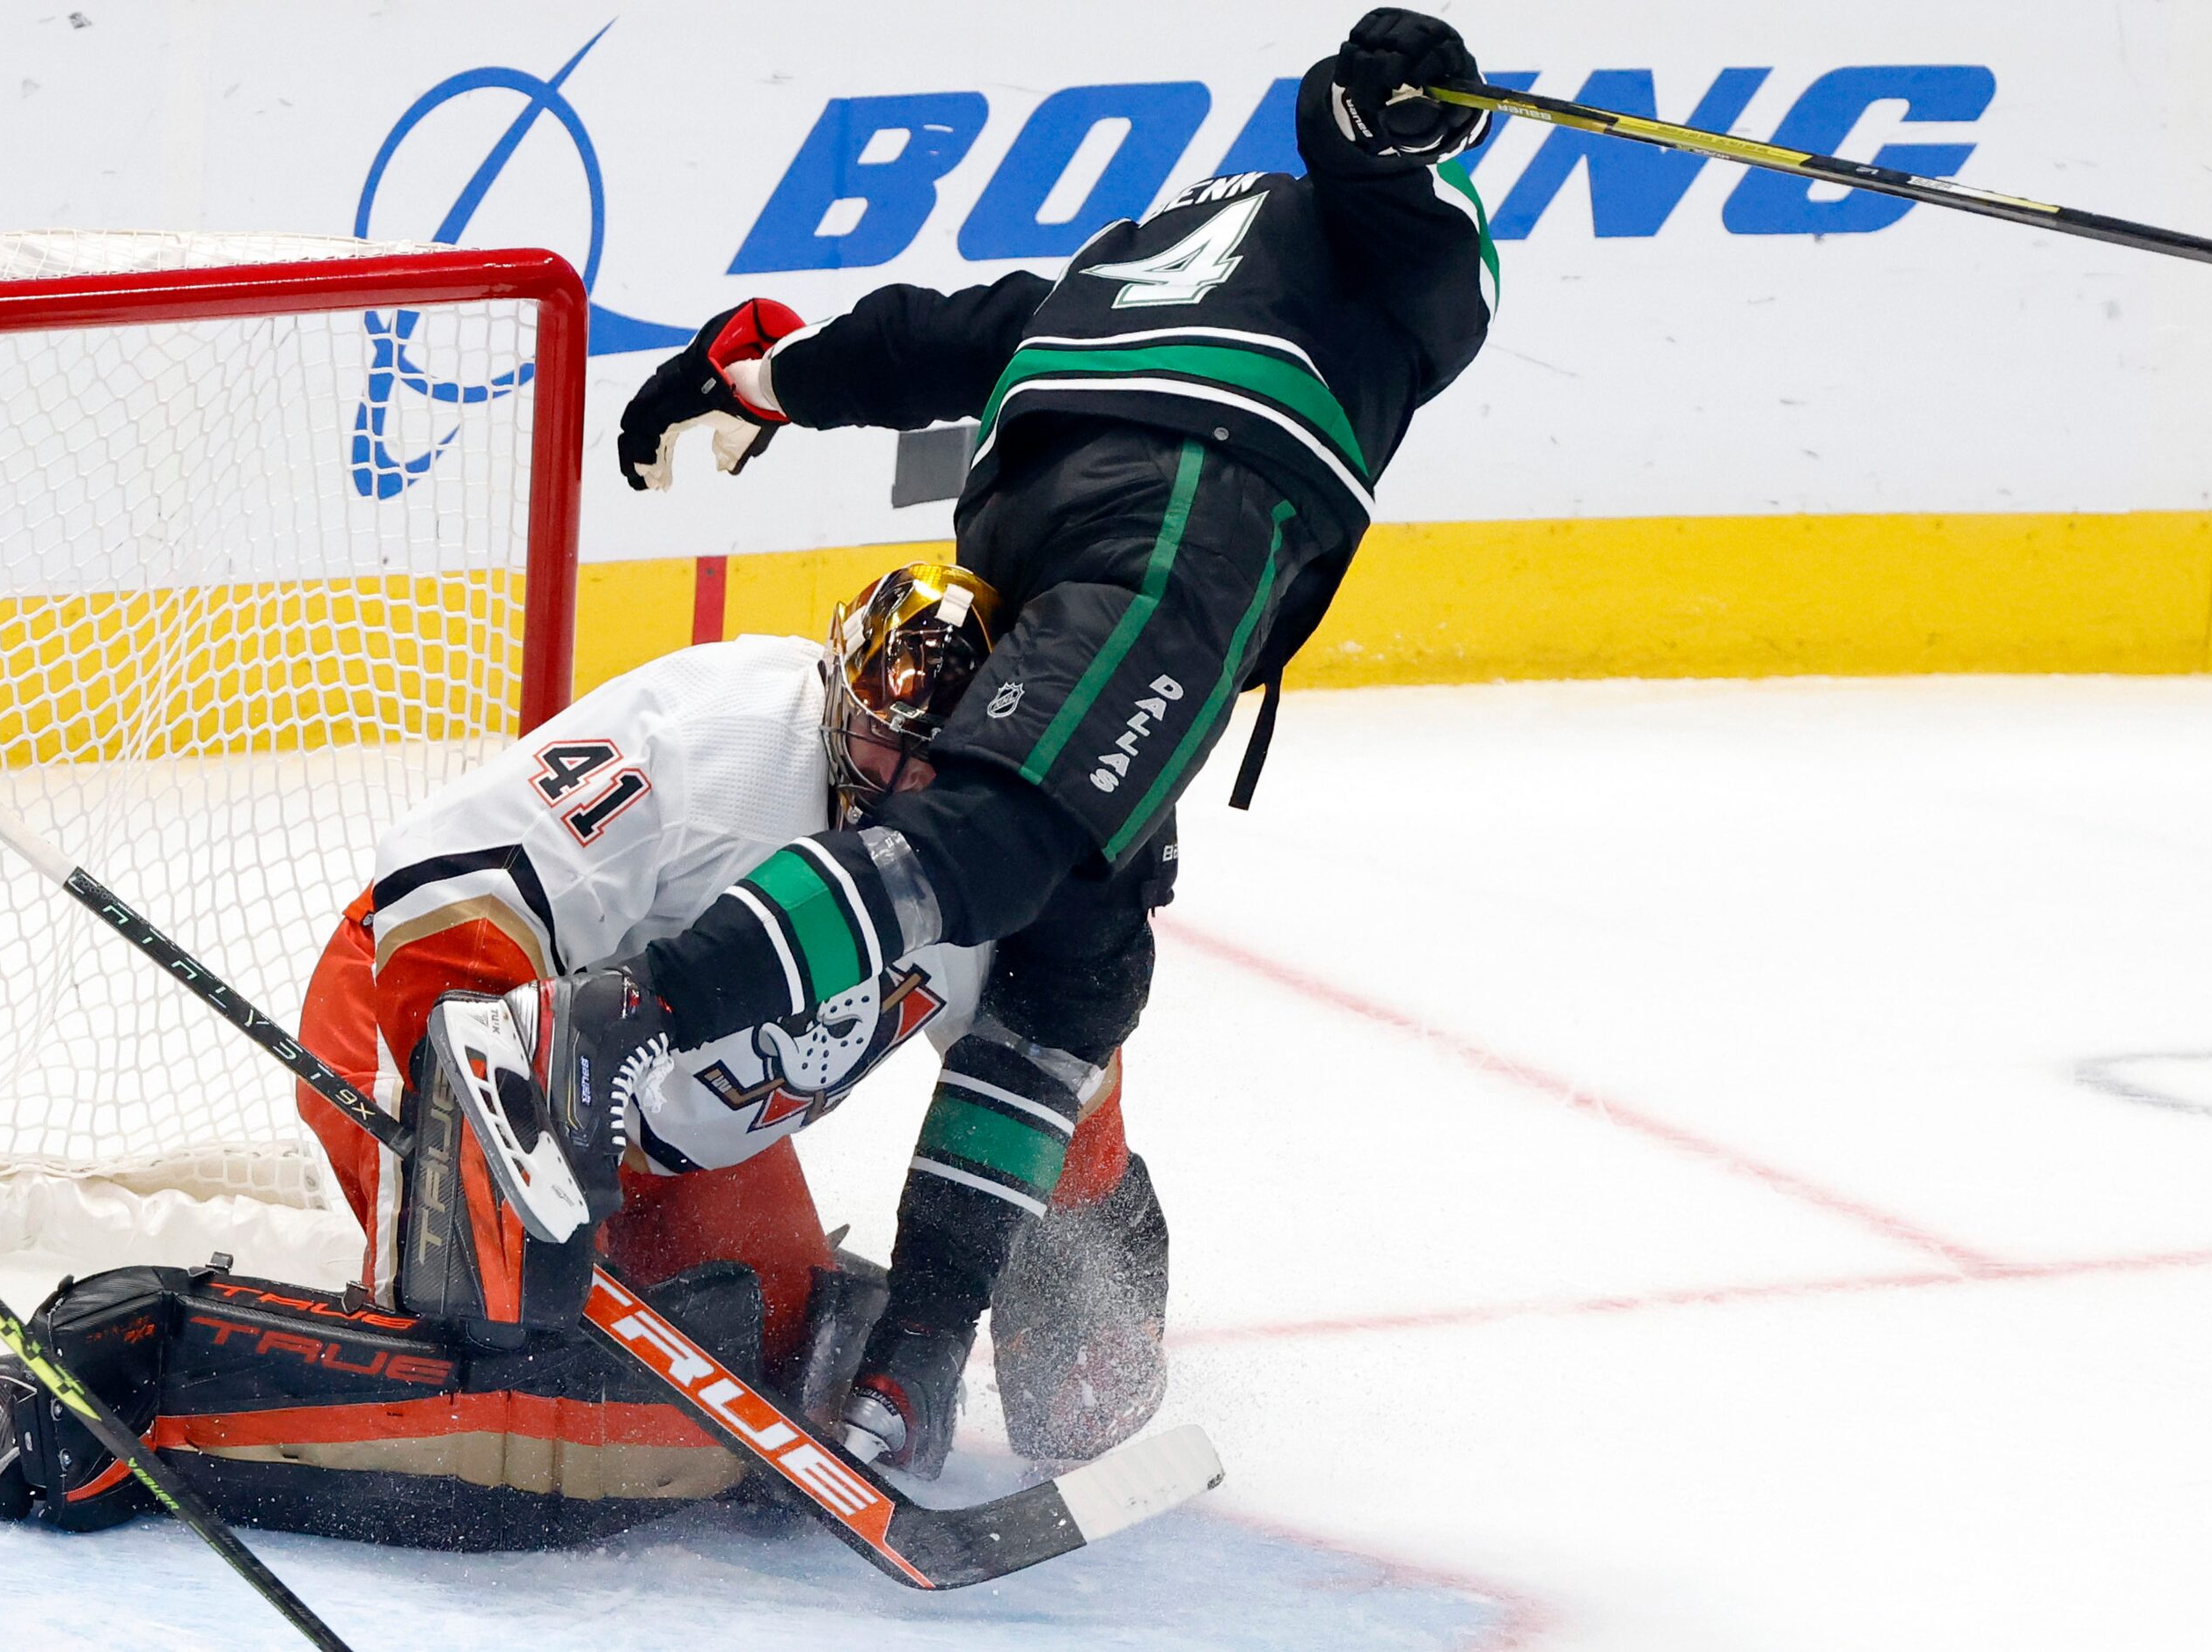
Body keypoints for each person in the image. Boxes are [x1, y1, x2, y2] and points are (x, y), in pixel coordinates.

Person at [465, 8, 1500, 1480]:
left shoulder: (1133, 256)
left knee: (1072, 965)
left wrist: (753, 377)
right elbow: (1396, 211)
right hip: (1177, 508)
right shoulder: (1384, 237)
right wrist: (1380, 124)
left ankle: (915, 1359)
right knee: (991, 839)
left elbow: (937, 338)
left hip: (1030, 518)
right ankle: (627, 1015)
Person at [0, 564, 1167, 1542]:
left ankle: (762, 1323)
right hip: (443, 1027)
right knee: (533, 1408)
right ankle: (127, 1376)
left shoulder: (1012, 849)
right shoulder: (711, 740)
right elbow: (443, 909)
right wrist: (506, 1158)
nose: (899, 788)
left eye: (940, 770)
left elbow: (1059, 1088)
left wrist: (1029, 1326)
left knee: (759, 1395)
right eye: (883, 745)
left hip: (670, 1132)